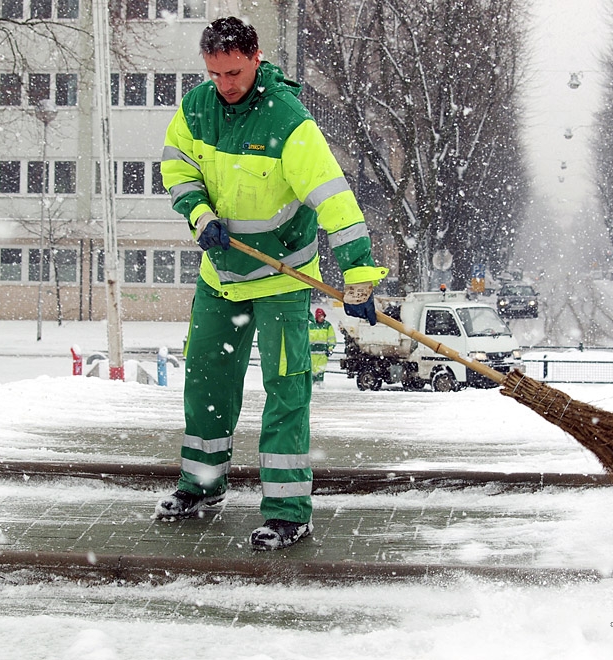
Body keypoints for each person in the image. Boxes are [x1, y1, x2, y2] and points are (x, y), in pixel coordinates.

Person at [155, 16, 386, 551]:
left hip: (283, 278)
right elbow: (178, 168)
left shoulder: (288, 120)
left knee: (286, 391)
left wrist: (357, 275)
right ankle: (202, 485)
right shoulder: (196, 108)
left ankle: (287, 512)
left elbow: (335, 199)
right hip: (222, 277)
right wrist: (198, 213)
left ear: (257, 57)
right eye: (215, 73)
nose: (226, 85)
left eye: (234, 72)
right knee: (207, 380)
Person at [308, 307, 336, 385]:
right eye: (320, 316)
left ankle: (319, 383)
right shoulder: (311, 326)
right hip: (312, 352)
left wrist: (330, 348)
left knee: (320, 369)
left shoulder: (327, 325)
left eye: (323, 316)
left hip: (322, 352)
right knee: (312, 370)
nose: (322, 318)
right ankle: (312, 384)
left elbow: (331, 338)